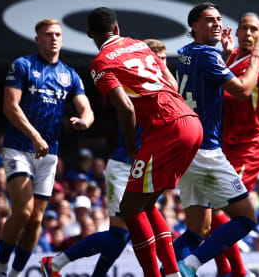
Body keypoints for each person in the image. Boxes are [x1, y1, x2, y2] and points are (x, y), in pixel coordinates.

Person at [41, 39, 175, 277]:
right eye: (159, 59)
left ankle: (67, 267)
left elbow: (174, 88)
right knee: (120, 233)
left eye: (165, 59)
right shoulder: (139, 88)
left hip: (140, 167)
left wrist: (162, 68)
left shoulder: (160, 86)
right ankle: (56, 262)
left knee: (122, 235)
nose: (163, 64)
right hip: (125, 166)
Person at [85, 7, 202, 277]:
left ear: (91, 34)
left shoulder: (101, 63)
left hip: (166, 128)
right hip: (190, 121)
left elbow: (125, 108)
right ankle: (171, 272)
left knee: (129, 208)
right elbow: (172, 83)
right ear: (116, 29)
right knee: (145, 205)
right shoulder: (139, 45)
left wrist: (130, 146)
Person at [0, 18, 94, 277]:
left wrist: (84, 121)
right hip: (19, 147)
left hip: (49, 153)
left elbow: (87, 108)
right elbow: (9, 106)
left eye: (57, 34)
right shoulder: (23, 65)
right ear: (38, 39)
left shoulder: (69, 74)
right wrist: (35, 136)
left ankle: (15, 274)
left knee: (36, 219)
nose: (54, 38)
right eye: (48, 35)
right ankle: (0, 268)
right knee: (23, 212)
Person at [174, 3, 259, 277]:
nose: (216, 24)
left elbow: (206, 79)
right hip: (207, 151)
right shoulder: (208, 55)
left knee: (197, 231)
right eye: (209, 20)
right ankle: (192, 265)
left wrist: (223, 56)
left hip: (188, 153)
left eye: (218, 19)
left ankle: (164, 270)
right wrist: (256, 57)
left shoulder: (186, 53)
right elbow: (242, 90)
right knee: (246, 218)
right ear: (194, 26)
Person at [211, 12, 259, 277]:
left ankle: (237, 272)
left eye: (253, 30)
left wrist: (223, 63)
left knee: (220, 211)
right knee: (209, 212)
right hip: (227, 147)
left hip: (249, 148)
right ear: (236, 33)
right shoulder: (233, 57)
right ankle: (227, 270)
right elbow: (216, 82)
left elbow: (234, 89)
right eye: (244, 29)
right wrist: (225, 57)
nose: (248, 33)